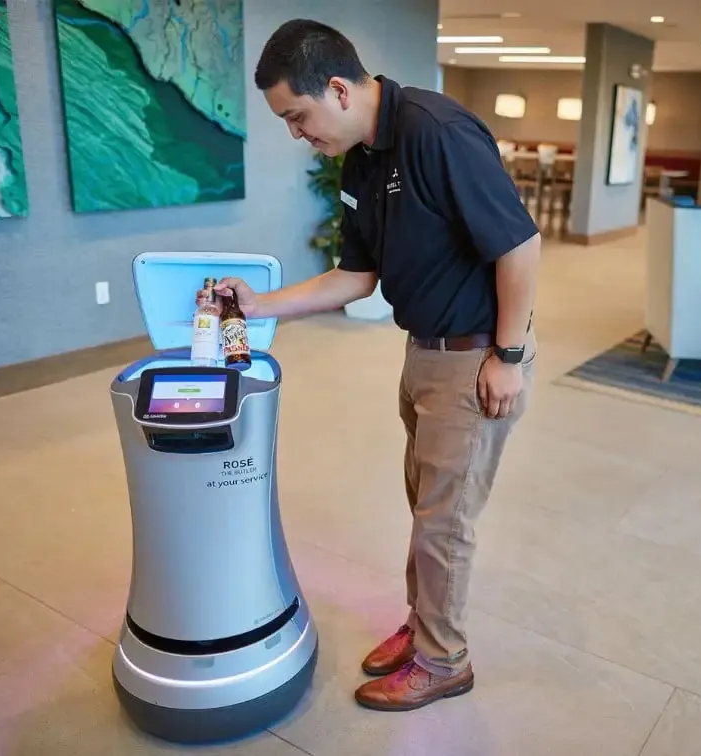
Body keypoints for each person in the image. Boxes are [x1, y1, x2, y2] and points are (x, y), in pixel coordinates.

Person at [207, 19, 541, 712]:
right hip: (424, 350)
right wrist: (259, 304)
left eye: (297, 116)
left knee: (444, 521)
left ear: (335, 87)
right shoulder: (360, 158)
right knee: (427, 508)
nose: (297, 134)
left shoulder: (437, 132)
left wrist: (507, 356)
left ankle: (444, 661)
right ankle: (424, 629)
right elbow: (354, 276)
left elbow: (519, 247)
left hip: (475, 355)